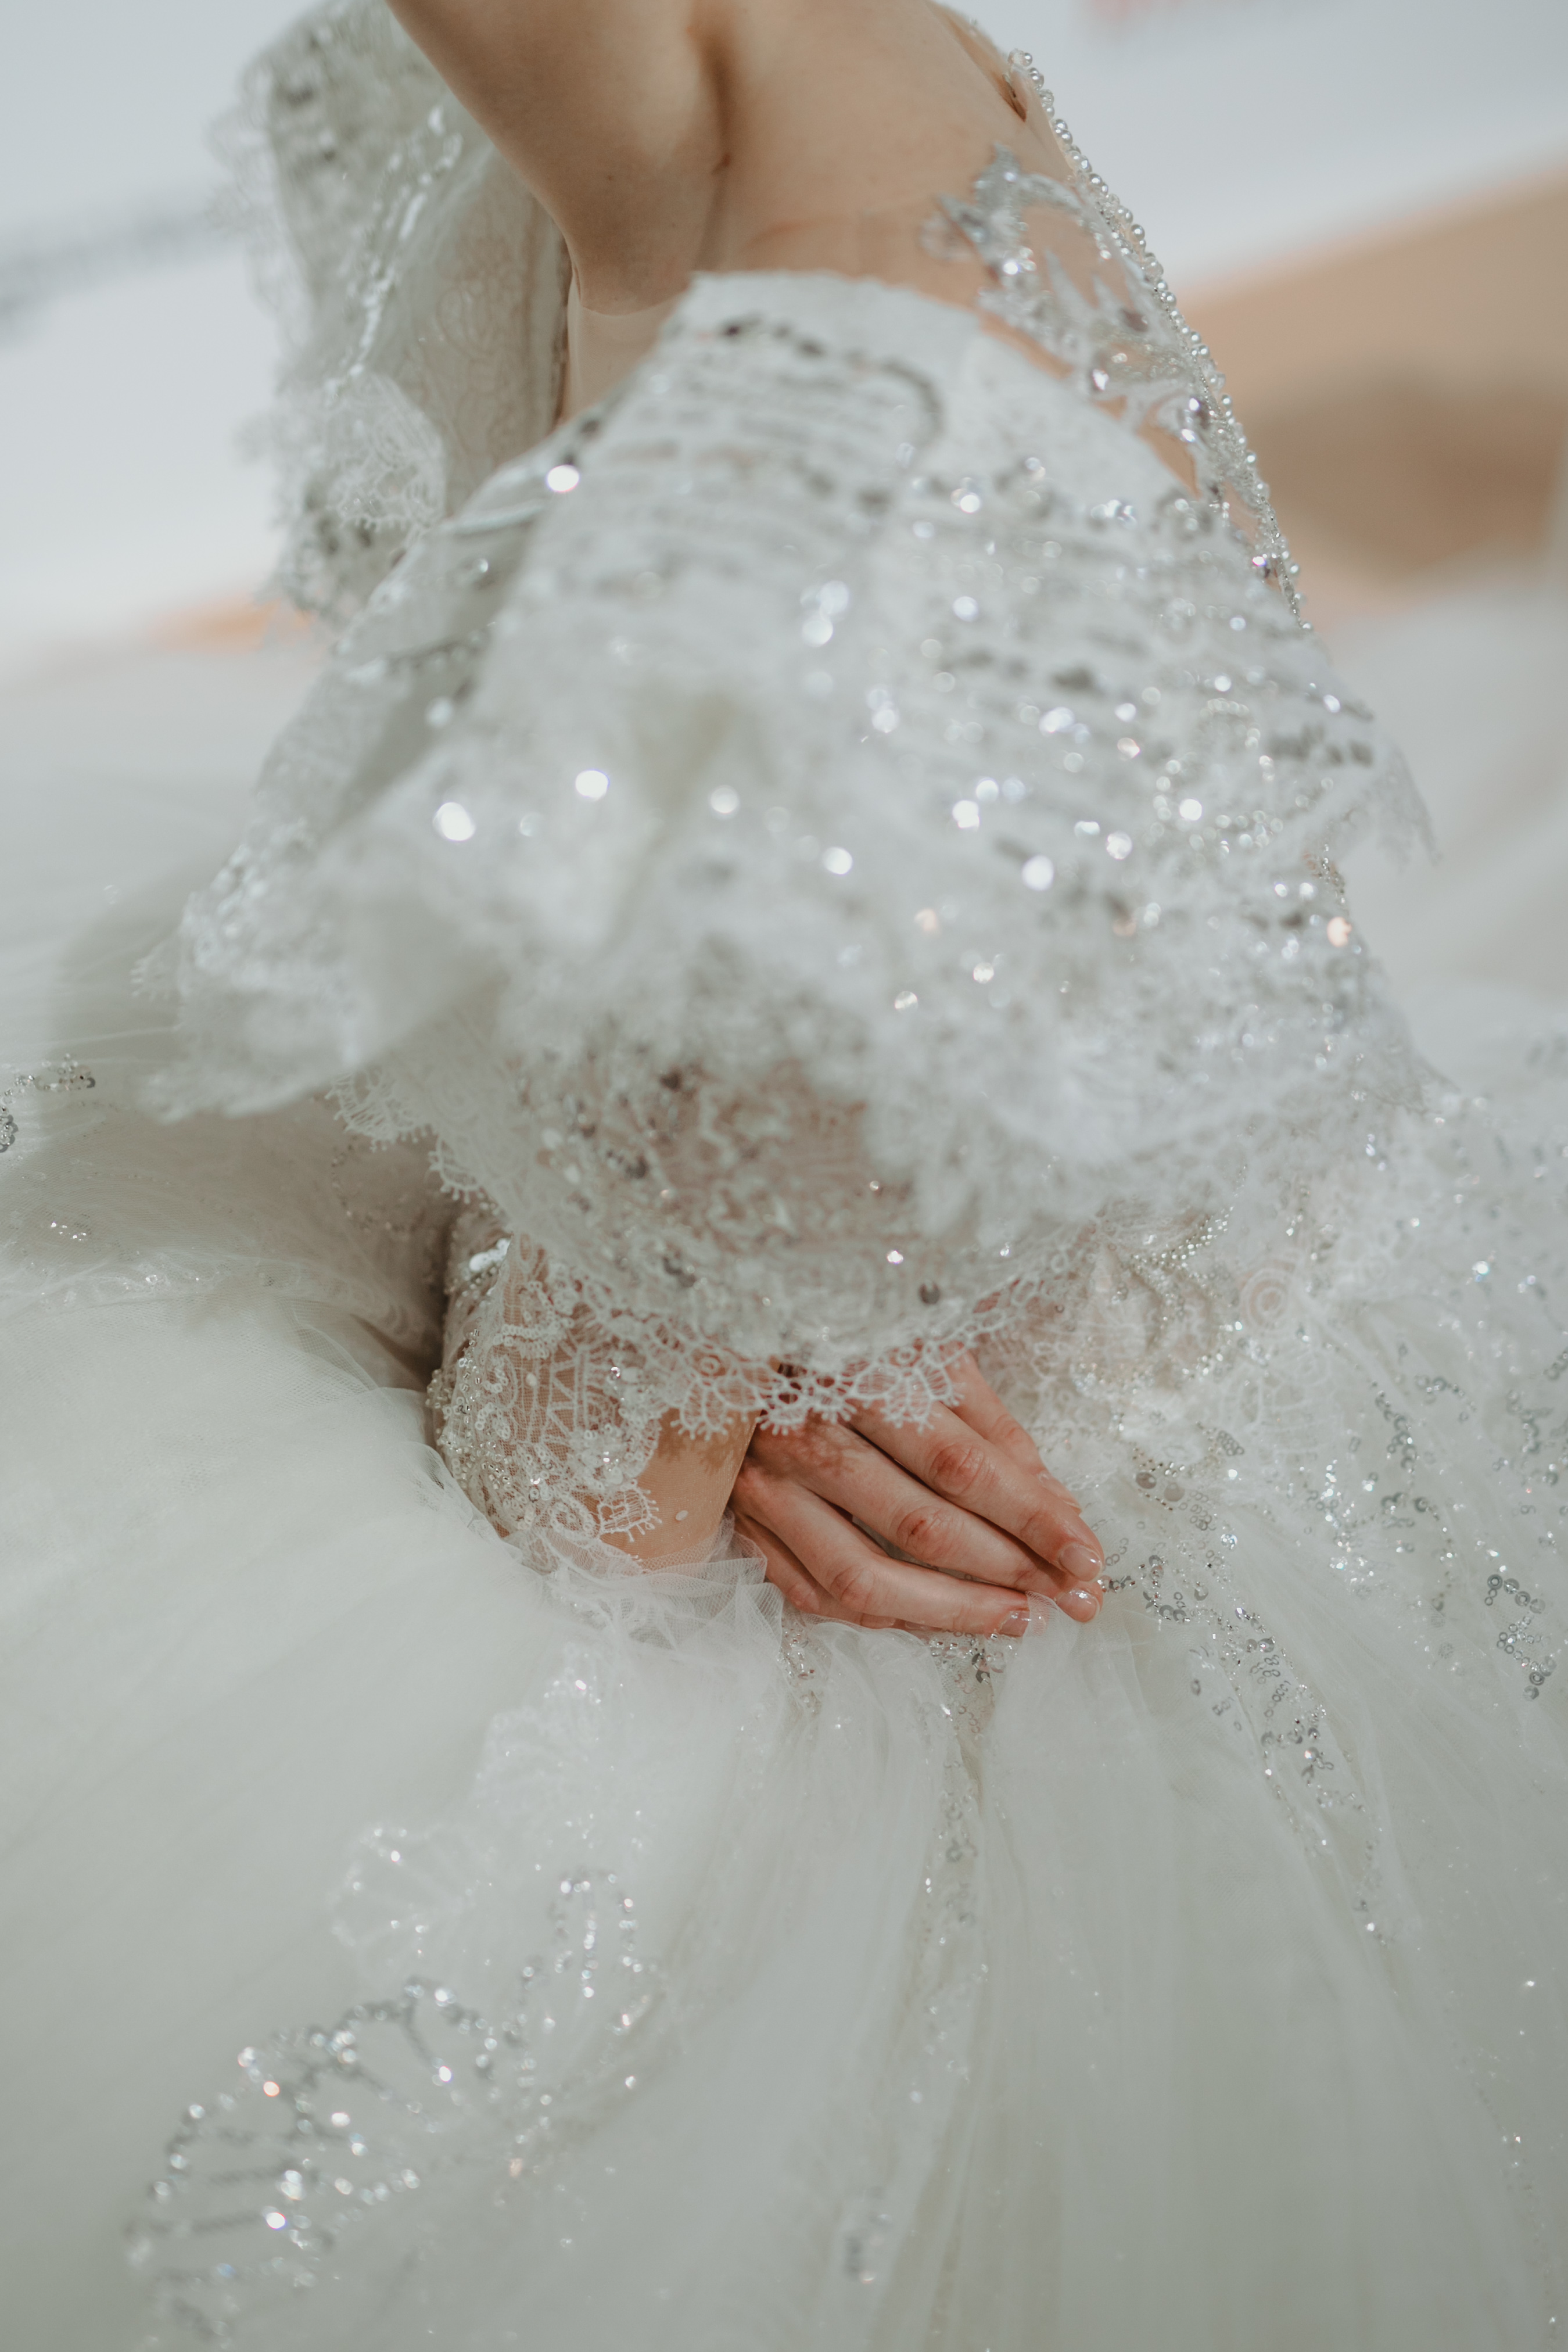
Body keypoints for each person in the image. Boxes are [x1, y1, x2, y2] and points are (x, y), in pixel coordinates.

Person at [2, 3, 1565, 2345]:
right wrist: (726, 1254)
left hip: (969, 1558)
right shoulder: (566, 77)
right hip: (681, 1255)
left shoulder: (856, 385)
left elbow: (593, 1494)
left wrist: (720, 1295)